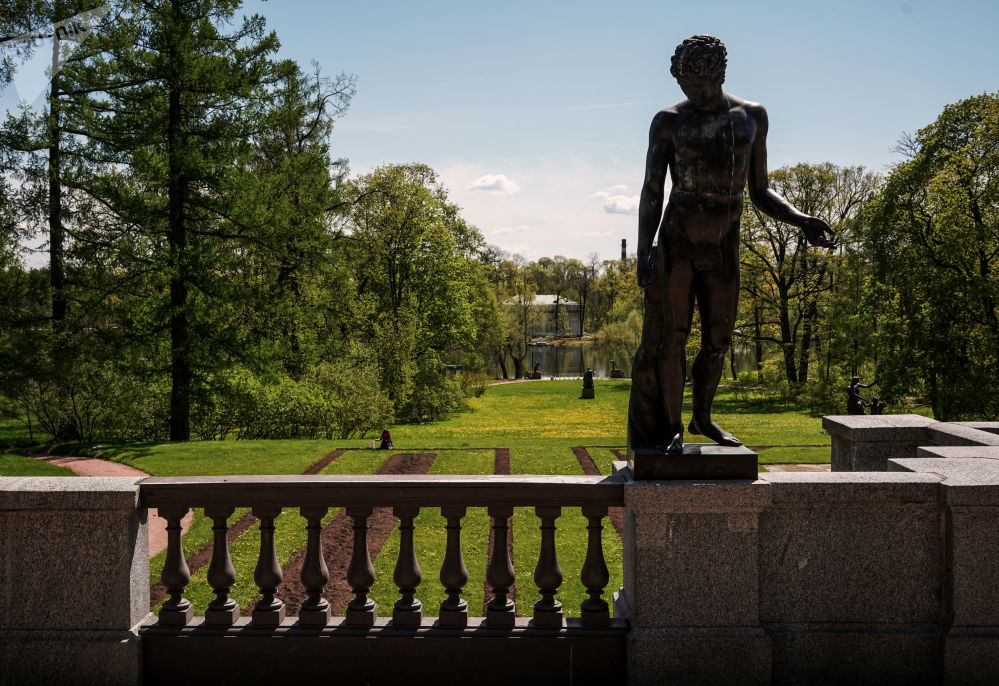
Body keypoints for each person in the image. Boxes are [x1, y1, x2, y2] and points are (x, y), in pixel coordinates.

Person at [628, 35, 836, 455]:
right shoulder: (668, 122)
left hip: (723, 245)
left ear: (720, 76)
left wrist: (801, 220)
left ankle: (702, 417)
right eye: (686, 86)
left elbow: (760, 190)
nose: (693, 94)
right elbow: (652, 190)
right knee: (673, 338)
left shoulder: (751, 117)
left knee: (719, 340)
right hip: (677, 242)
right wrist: (643, 249)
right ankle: (671, 427)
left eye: (700, 87)